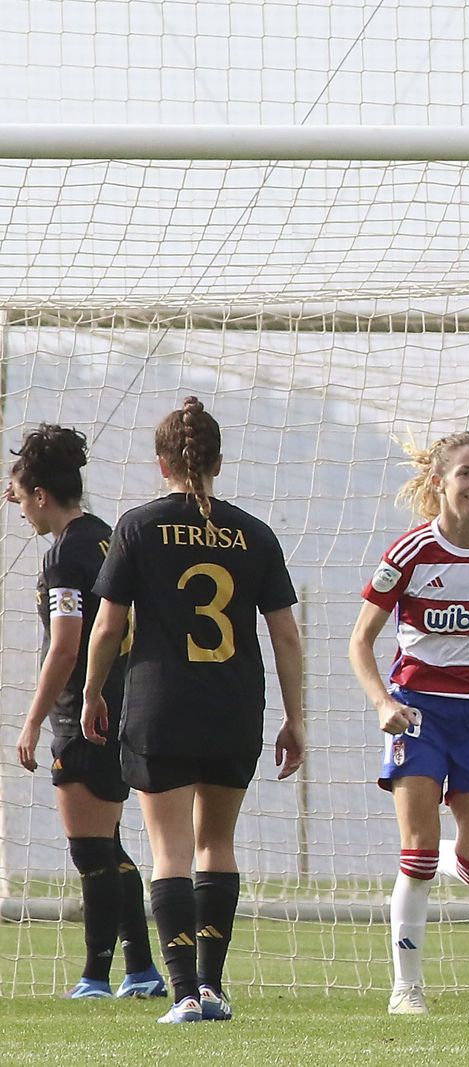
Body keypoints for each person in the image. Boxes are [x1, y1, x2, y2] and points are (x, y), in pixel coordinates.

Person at [81, 397, 306, 1024]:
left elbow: (106, 627)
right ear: (218, 462)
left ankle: (181, 993)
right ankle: (213, 987)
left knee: (169, 850)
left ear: (162, 465)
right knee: (218, 843)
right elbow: (286, 634)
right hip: (235, 705)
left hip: (161, 705)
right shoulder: (254, 532)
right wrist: (296, 716)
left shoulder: (137, 527)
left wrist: (95, 690)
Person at [349, 430, 469, 1016]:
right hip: (419, 713)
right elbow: (360, 641)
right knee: (417, 855)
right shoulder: (408, 553)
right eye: (466, 474)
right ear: (440, 482)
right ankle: (406, 989)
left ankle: (442, 850)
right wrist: (384, 703)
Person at [8, 424, 164, 1000]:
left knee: (90, 851)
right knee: (111, 844)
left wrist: (31, 720)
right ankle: (141, 970)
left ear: (42, 496)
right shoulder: (107, 537)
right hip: (129, 706)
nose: (20, 509)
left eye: (22, 498)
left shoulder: (61, 561)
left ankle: (97, 977)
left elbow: (66, 645)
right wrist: (25, 482)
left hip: (83, 712)